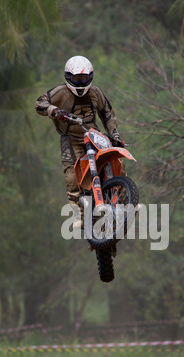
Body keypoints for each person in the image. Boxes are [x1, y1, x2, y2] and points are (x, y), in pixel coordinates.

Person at [35, 55, 124, 228]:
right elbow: (39, 103)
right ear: (68, 77)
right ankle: (80, 215)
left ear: (91, 76)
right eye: (76, 79)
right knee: (71, 175)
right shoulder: (60, 92)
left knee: (116, 158)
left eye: (84, 78)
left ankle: (124, 197)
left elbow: (107, 113)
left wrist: (115, 135)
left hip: (94, 135)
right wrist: (54, 110)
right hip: (71, 139)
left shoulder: (96, 92)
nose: (81, 83)